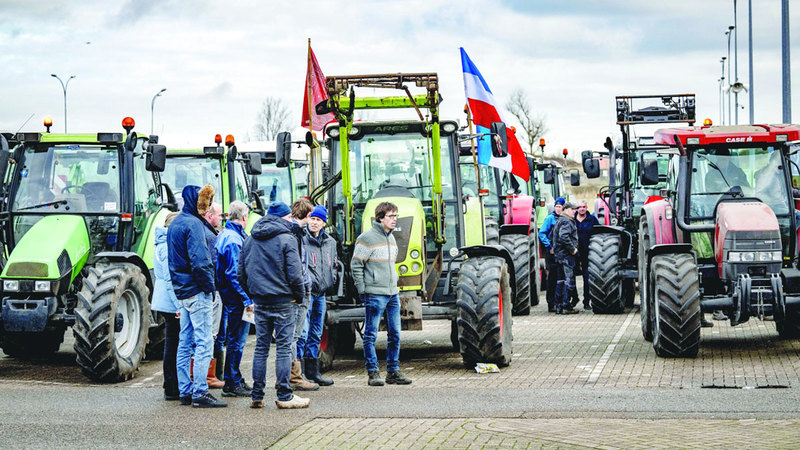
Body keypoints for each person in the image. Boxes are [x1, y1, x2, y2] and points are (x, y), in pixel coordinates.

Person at [240, 202, 310, 409]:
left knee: (261, 349)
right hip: (284, 301)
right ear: (284, 218)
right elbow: (295, 275)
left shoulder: (250, 239)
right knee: (283, 348)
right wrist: (299, 297)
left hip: (260, 301)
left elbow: (240, 274)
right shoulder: (287, 239)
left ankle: (257, 395)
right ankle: (284, 395)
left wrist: (253, 293)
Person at [169, 184, 226, 408]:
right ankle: (200, 391)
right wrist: (209, 288)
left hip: (182, 292)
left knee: (185, 342)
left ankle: (185, 390)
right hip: (197, 290)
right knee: (204, 342)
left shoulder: (176, 223)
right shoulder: (194, 224)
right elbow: (200, 262)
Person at [352, 201, 412, 387]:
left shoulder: (391, 238)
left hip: (392, 293)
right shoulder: (367, 238)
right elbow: (356, 265)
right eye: (391, 216)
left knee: (395, 333)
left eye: (396, 216)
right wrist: (362, 288)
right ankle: (373, 372)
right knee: (370, 334)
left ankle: (393, 371)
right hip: (374, 293)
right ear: (380, 218)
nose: (395, 220)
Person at [215, 201, 254, 398]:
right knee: (236, 340)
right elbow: (234, 273)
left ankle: (235, 377)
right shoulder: (233, 239)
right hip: (236, 298)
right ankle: (231, 381)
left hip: (231, 296)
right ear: (244, 217)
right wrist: (247, 299)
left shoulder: (228, 234)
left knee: (235, 339)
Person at [297, 205, 337, 387]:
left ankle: (314, 372)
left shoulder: (330, 243)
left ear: (323, 223)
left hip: (321, 293)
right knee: (302, 332)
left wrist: (331, 279)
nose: (314, 222)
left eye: (318, 220)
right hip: (307, 293)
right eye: (312, 219)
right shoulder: (300, 239)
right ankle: (300, 373)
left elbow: (333, 265)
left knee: (316, 332)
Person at [288, 199, 319, 391]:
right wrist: (303, 288)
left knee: (294, 336)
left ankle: (291, 375)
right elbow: (298, 266)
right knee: (294, 336)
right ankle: (293, 377)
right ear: (307, 215)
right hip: (299, 292)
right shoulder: (295, 234)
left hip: (298, 290)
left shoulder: (295, 233)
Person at [151, 211, 181, 401]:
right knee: (174, 344)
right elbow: (170, 279)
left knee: (172, 342)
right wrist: (178, 304)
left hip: (162, 299)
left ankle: (169, 383)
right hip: (170, 301)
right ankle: (171, 386)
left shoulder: (160, 243)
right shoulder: (168, 247)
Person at [203, 202, 226, 388]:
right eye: (219, 215)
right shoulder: (211, 236)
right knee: (211, 333)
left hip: (210, 289)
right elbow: (214, 265)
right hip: (213, 290)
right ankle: (208, 376)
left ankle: (210, 374)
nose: (220, 219)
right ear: (210, 215)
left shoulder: (207, 232)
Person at [553, 201, 580, 315]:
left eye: (574, 210)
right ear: (565, 210)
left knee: (560, 281)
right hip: (567, 256)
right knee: (569, 281)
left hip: (559, 255)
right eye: (572, 209)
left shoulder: (559, 220)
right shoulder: (567, 222)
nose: (574, 212)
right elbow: (563, 236)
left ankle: (558, 305)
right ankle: (566, 305)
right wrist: (572, 249)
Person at [538, 197, 564, 312]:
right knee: (552, 278)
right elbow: (542, 233)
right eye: (557, 207)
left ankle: (561, 302)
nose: (558, 209)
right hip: (552, 252)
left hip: (562, 252)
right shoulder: (550, 219)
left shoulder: (565, 219)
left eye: (560, 207)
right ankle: (551, 303)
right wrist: (549, 246)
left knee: (562, 277)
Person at [574, 200, 599, 310]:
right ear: (576, 209)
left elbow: (599, 234)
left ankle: (586, 301)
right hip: (573, 253)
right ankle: (573, 299)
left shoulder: (592, 220)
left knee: (587, 277)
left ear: (587, 207)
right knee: (570, 278)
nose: (582, 209)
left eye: (584, 206)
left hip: (588, 253)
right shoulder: (572, 220)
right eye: (579, 207)